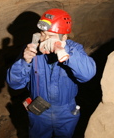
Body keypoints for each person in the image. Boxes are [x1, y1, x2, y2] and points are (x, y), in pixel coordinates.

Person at [6, 8, 96, 138]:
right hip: (39, 111)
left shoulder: (74, 49)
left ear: (64, 37)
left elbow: (87, 74)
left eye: (51, 37)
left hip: (66, 111)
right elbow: (15, 84)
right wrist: (24, 61)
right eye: (43, 34)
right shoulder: (31, 50)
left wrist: (64, 51)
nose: (44, 40)